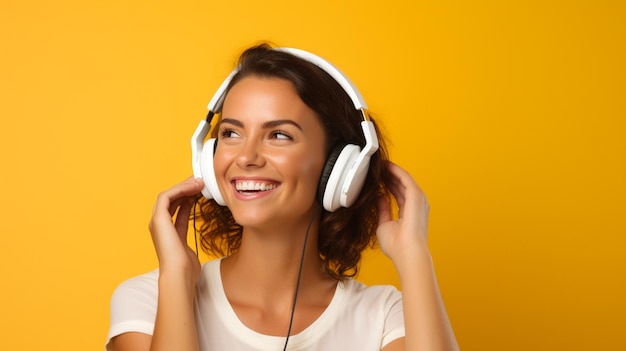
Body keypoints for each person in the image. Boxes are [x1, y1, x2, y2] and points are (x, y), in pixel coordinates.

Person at [106, 43, 459, 351]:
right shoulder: (151, 299)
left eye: (279, 135)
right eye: (231, 133)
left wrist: (414, 256)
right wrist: (176, 280)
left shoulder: (385, 315)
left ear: (340, 167)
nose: (245, 157)